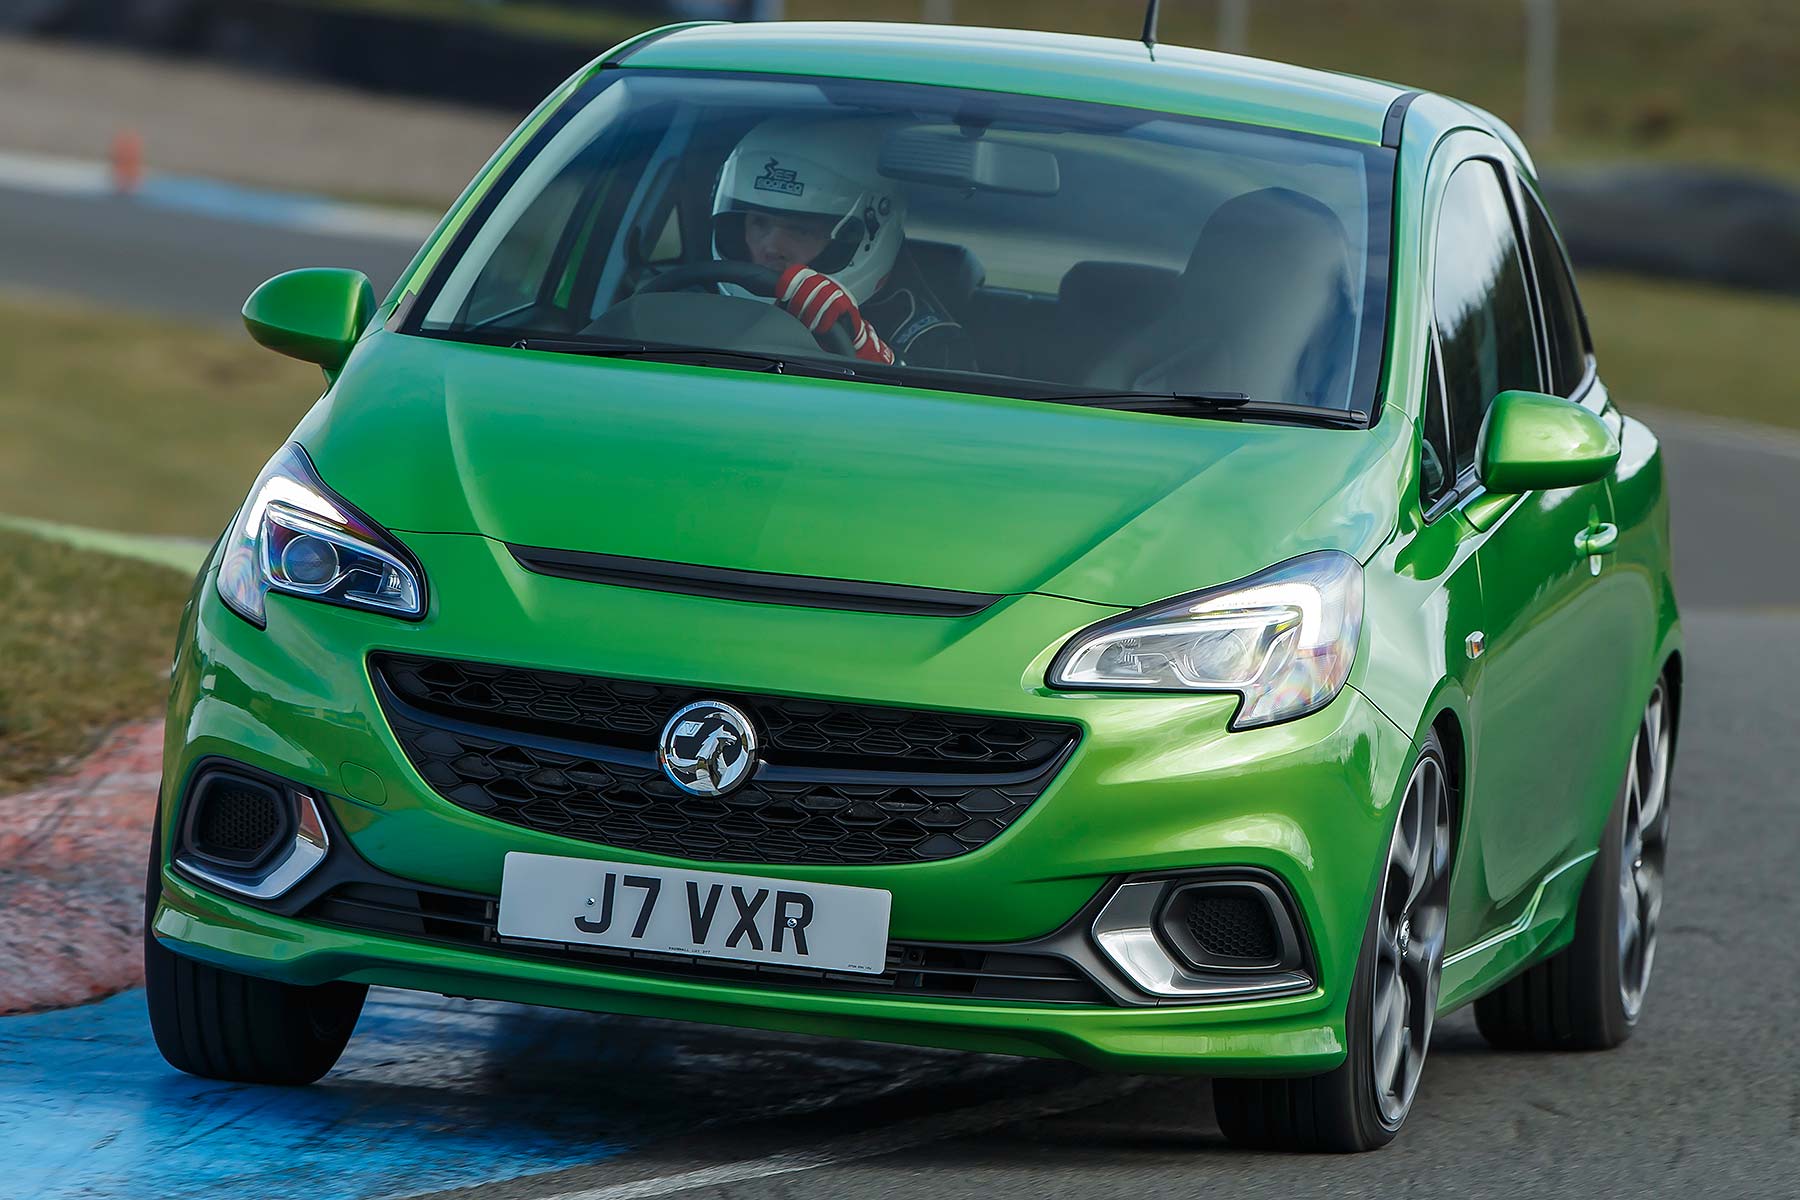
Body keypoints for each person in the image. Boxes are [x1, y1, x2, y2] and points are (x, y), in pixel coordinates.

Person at [711, 117, 977, 371]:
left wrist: (879, 362)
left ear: (867, 236)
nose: (771, 247)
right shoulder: (695, 300)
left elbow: (939, 417)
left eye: (800, 229)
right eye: (759, 223)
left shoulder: (931, 340)